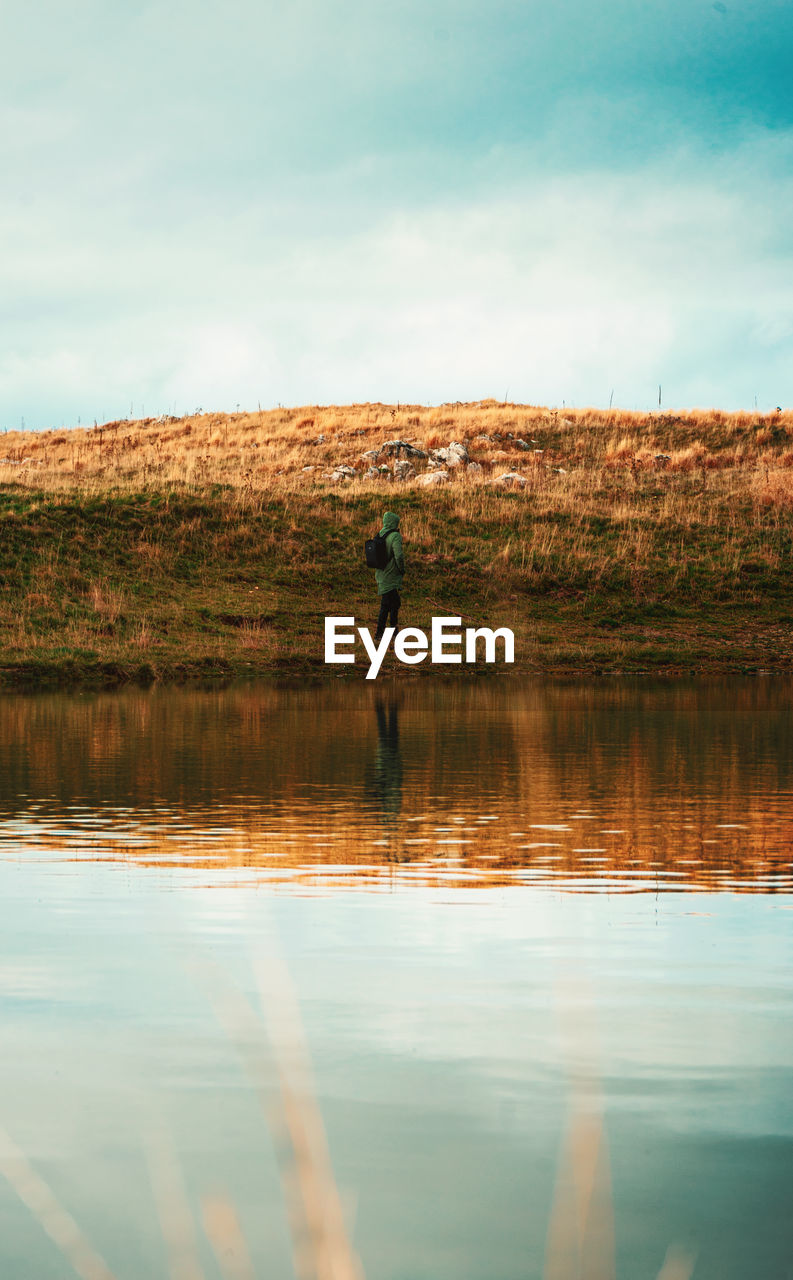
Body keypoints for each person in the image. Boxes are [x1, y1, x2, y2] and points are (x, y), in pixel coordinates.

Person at [374, 511, 405, 641]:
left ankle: (392, 630)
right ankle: (380, 633)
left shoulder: (380, 534)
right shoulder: (395, 536)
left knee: (392, 603)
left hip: (380, 574)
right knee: (388, 604)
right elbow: (398, 555)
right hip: (391, 575)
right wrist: (401, 569)